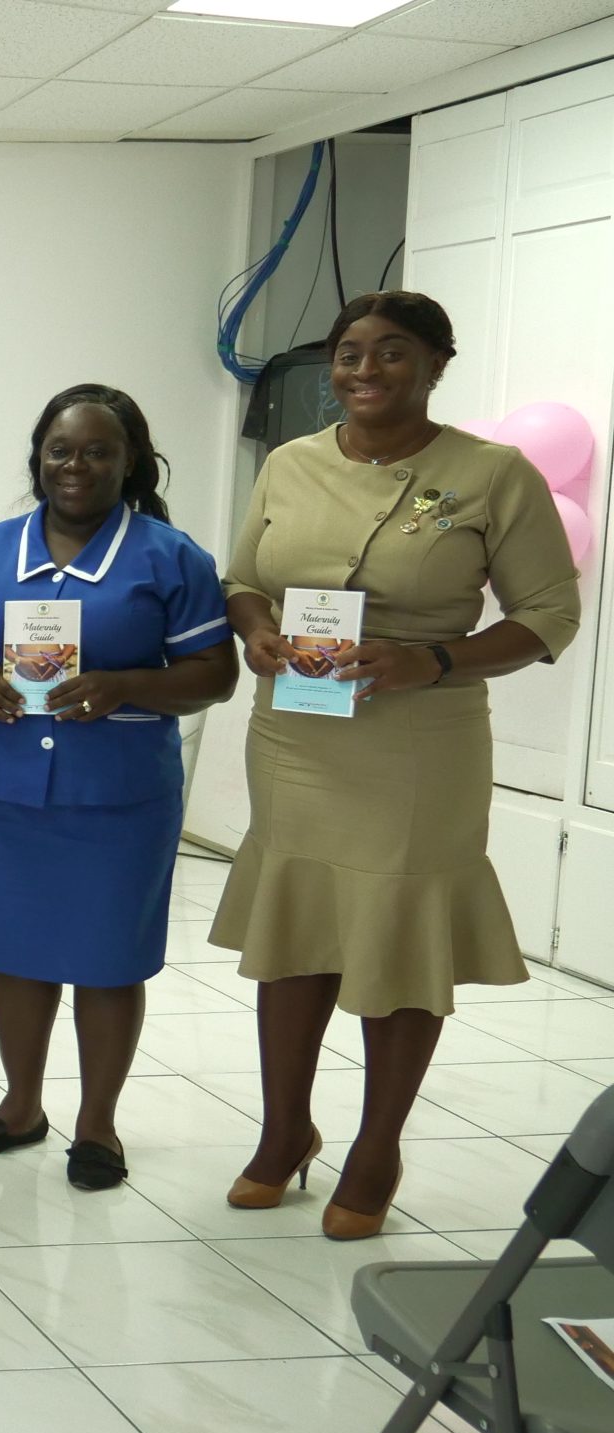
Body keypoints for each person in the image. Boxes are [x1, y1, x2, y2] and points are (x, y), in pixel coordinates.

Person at [214, 291, 580, 1239]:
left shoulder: (492, 474)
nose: (364, 372)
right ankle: (285, 1128)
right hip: (297, 730)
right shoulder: (290, 464)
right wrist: (256, 631)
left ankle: (378, 1147)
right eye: (348, 355)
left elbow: (550, 615)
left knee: (401, 937)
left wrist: (436, 660)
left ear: (435, 365)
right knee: (294, 933)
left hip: (420, 739)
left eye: (390, 354)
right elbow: (244, 581)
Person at [0, 385, 236, 1190]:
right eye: (61, 450)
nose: (76, 466)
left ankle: (98, 1124)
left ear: (132, 461)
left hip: (119, 795)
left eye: (99, 451)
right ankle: (20, 1107)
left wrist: (125, 686)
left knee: (108, 962)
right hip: (8, 789)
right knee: (17, 952)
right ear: (38, 458)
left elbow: (216, 673)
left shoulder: (168, 557)